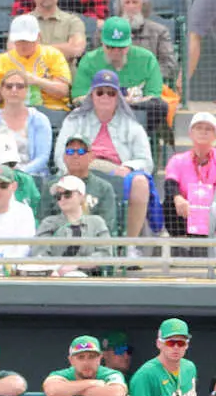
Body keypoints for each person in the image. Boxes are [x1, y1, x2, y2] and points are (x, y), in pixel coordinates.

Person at [54, 70, 155, 246]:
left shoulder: (131, 124)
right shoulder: (75, 119)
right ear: (92, 95)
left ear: (118, 97)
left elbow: (146, 161)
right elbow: (59, 155)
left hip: (118, 172)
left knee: (141, 182)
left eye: (111, 93)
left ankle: (129, 245)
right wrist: (75, 168)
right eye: (100, 92)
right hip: (82, 168)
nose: (105, 97)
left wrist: (128, 167)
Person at [74, 17, 167, 137]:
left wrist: (128, 102)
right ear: (102, 42)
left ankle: (146, 140)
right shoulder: (89, 60)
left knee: (160, 107)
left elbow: (154, 95)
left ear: (130, 42)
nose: (116, 52)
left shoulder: (147, 59)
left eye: (121, 47)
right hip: (98, 112)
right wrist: (112, 101)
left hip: (136, 110)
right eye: (110, 47)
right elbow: (78, 98)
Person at [0, 15, 72, 111]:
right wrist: (7, 85)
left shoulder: (53, 54)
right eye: (19, 40)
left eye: (28, 40)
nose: (23, 45)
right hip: (12, 112)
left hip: (51, 110)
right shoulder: (1, 60)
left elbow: (63, 91)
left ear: (38, 37)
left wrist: (36, 81)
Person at [105, 0, 179, 87]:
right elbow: (97, 62)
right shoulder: (106, 31)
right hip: (113, 87)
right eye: (127, 2)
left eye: (135, 2)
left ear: (143, 5)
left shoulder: (159, 32)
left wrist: (144, 77)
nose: (131, 7)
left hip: (147, 87)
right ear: (121, 5)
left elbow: (169, 66)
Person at [31, 175, 113, 274]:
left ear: (81, 196)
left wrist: (77, 264)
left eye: (67, 194)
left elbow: (105, 254)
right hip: (55, 277)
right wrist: (57, 269)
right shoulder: (49, 223)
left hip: (90, 278)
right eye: (58, 196)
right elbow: (39, 254)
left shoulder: (96, 222)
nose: (62, 198)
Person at [0, 71, 53, 177]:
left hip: (33, 177)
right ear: (1, 90)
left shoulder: (40, 119)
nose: (14, 90)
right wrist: (3, 174)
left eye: (20, 86)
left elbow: (42, 157)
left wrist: (20, 173)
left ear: (26, 90)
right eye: (9, 86)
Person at [38, 135, 118, 233]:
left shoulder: (104, 188)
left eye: (81, 151)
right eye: (70, 152)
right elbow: (43, 224)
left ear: (91, 157)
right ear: (64, 157)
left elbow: (107, 227)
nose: (75, 156)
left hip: (92, 240)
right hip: (58, 239)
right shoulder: (52, 187)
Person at [163, 112, 216, 242]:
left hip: (212, 211)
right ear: (190, 133)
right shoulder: (177, 160)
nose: (203, 132)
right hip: (186, 212)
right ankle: (180, 244)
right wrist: (178, 198)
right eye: (198, 128)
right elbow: (170, 183)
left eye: (208, 129)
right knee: (170, 201)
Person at [25, 0, 87, 64]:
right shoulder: (22, 22)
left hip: (65, 73)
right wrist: (63, 49)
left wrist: (34, 50)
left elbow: (76, 49)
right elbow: (14, 50)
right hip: (32, 73)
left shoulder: (73, 21)